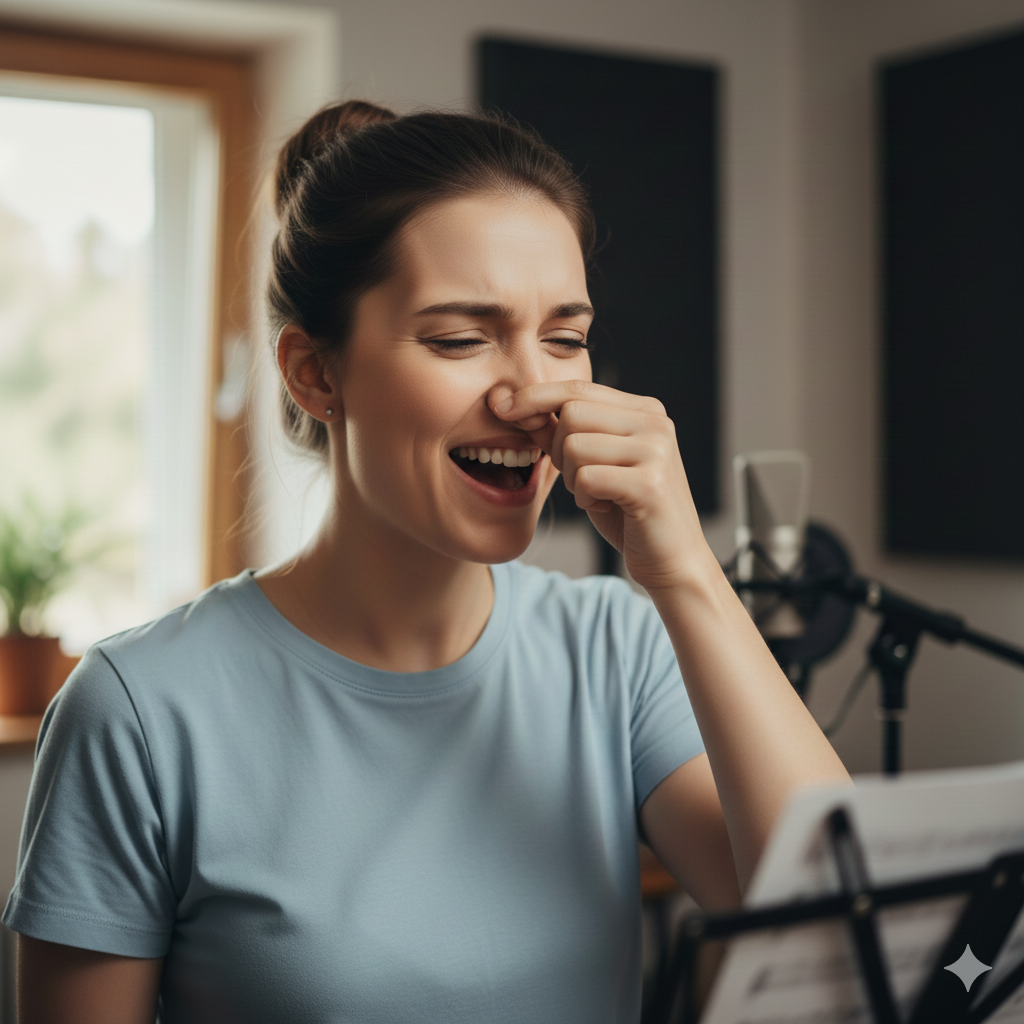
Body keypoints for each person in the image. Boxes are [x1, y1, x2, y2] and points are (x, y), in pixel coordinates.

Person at [4, 100, 850, 1023]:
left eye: (565, 339)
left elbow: (837, 938)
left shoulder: (616, 651)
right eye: (460, 339)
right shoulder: (135, 711)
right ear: (314, 373)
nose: (532, 395)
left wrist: (686, 570)